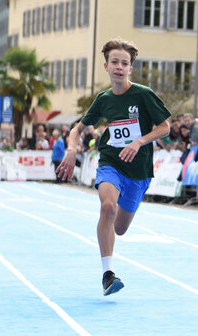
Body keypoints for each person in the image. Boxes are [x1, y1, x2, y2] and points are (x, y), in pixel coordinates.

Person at [55, 38, 172, 296]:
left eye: (125, 63)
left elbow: (165, 127)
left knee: (120, 227)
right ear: (106, 66)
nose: (119, 67)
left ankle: (114, 239)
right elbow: (78, 128)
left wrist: (139, 142)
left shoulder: (143, 95)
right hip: (111, 163)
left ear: (131, 68)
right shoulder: (104, 99)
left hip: (139, 171)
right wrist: (72, 150)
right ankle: (108, 273)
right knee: (107, 208)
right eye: (115, 62)